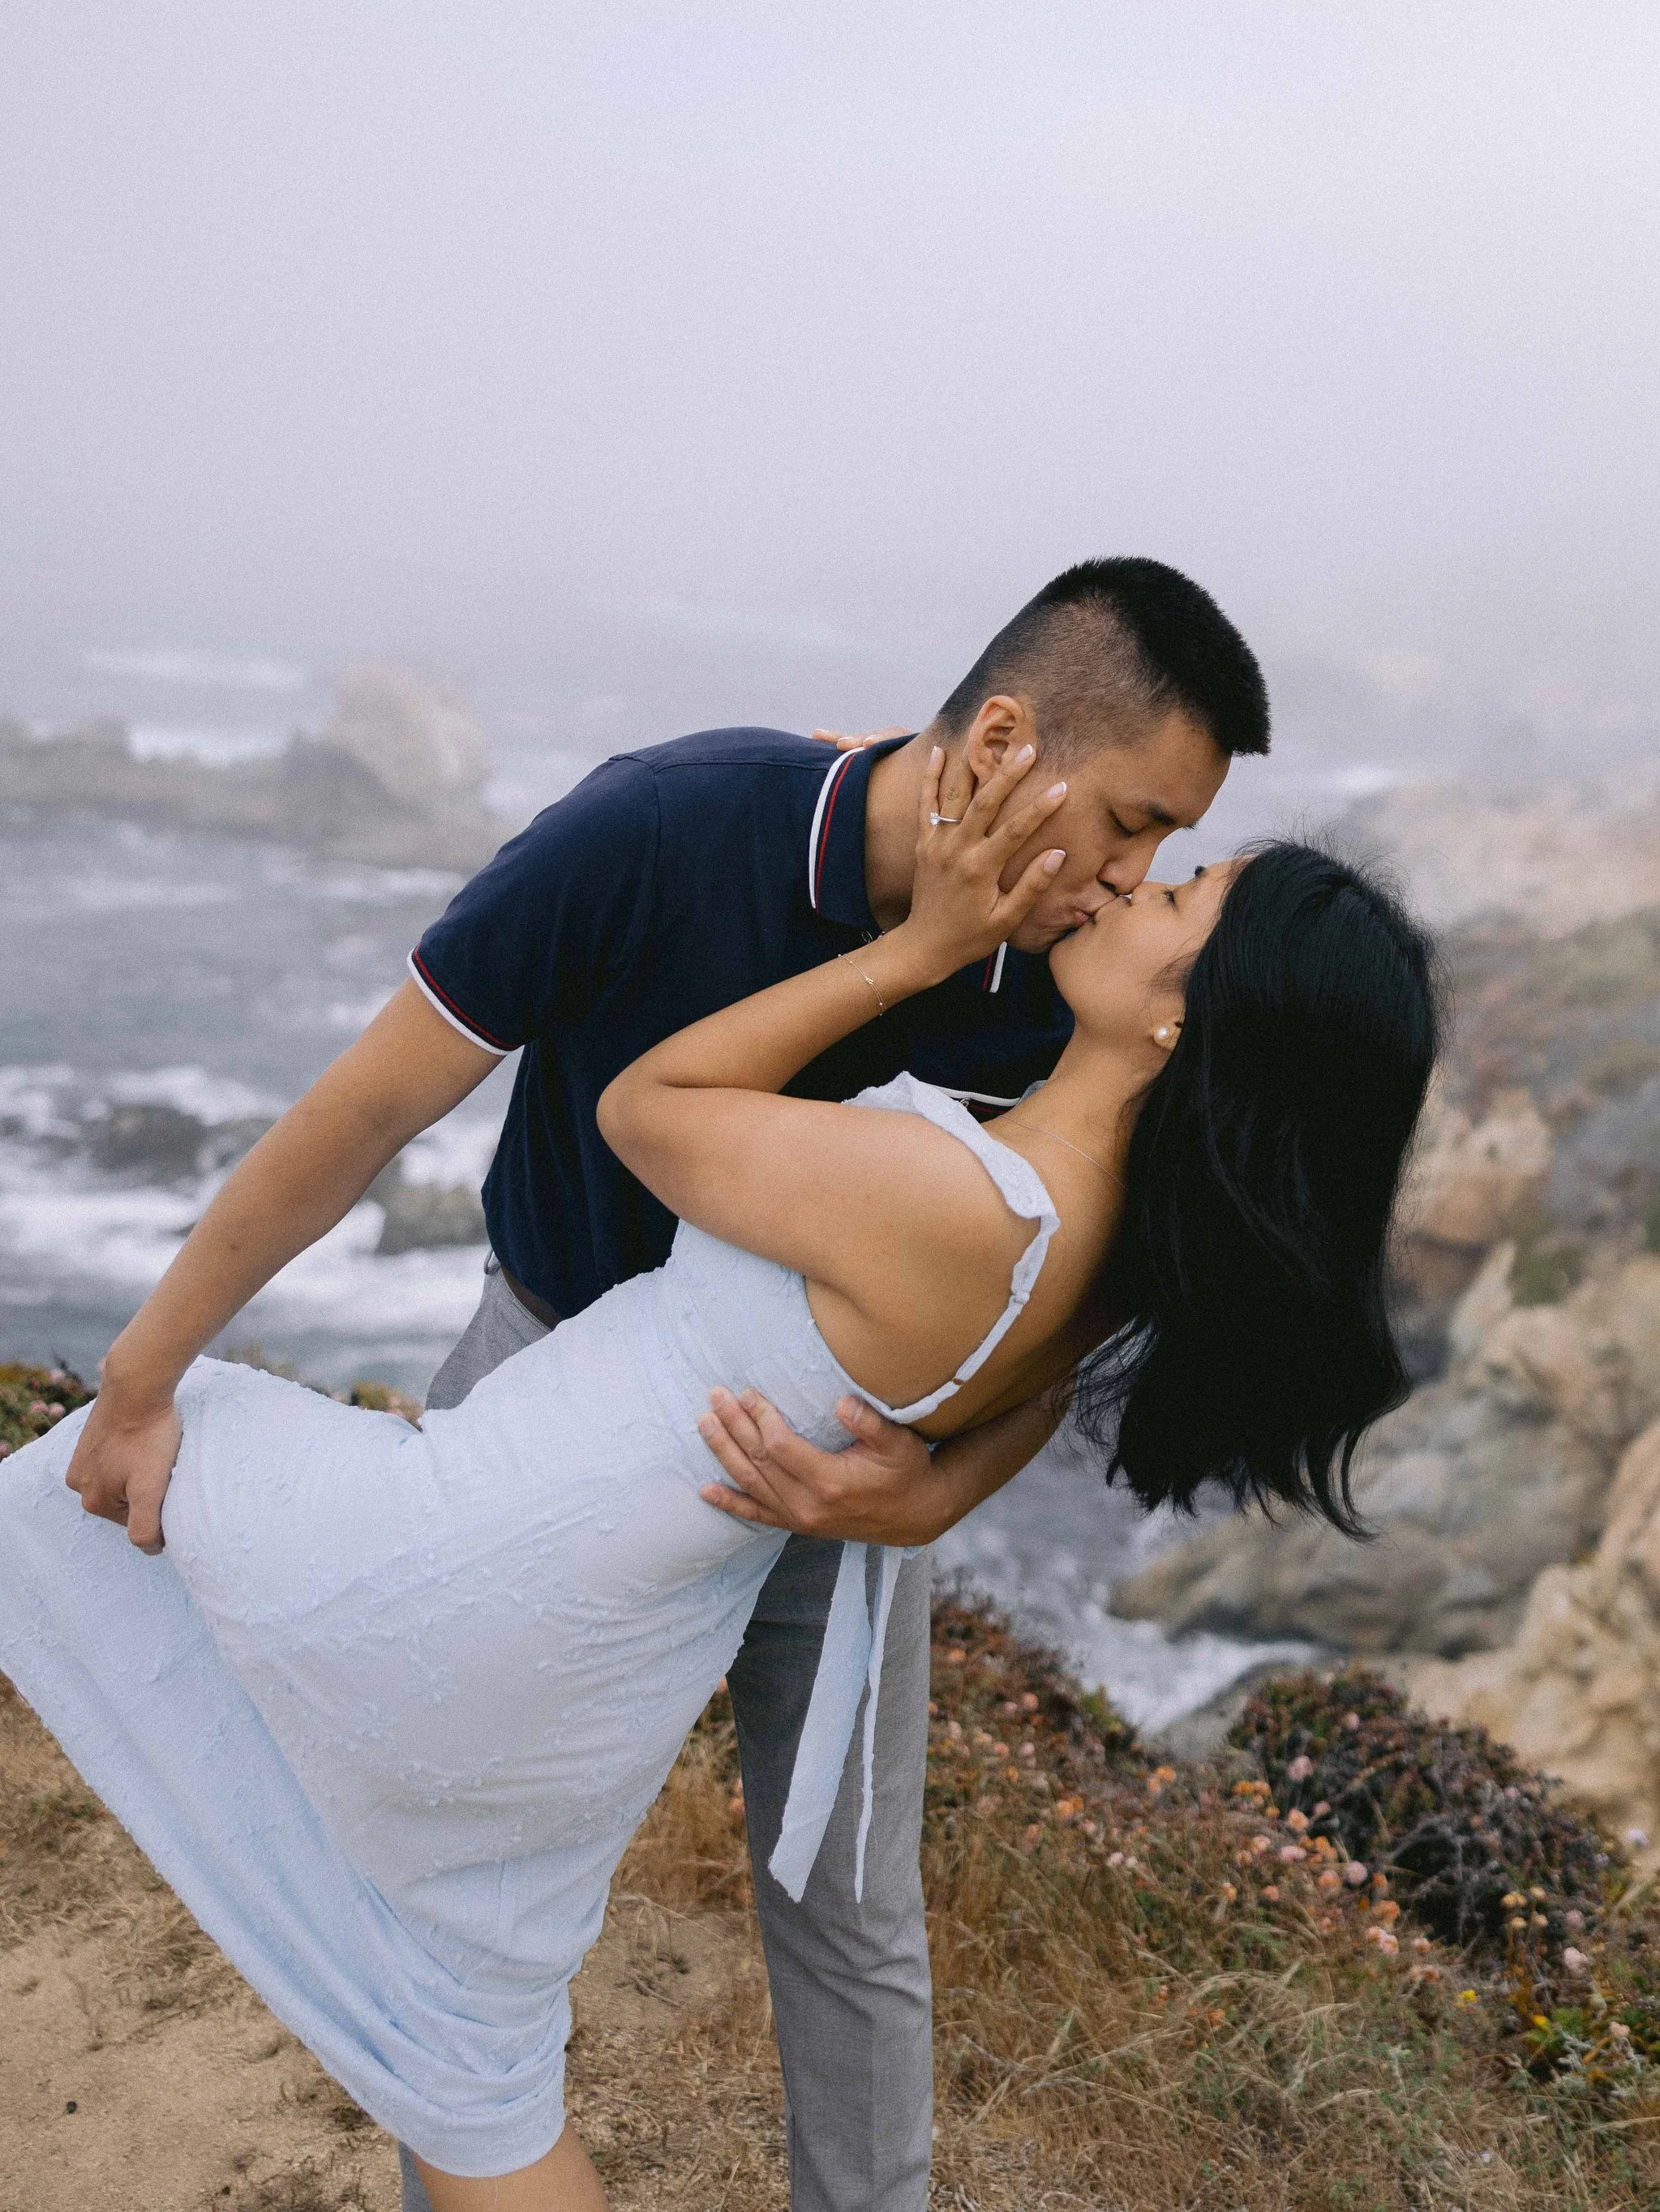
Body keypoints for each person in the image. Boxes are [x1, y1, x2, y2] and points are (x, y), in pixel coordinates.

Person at [0, 730, 1438, 2210]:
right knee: (470, 2060)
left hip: (481, 1553)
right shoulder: (1107, 1231)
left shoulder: (970, 1204)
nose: (1134, 884)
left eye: (1178, 891)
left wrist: (918, 948)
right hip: (594, 1640)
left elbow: (644, 1107)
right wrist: (938, 1495)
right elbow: (1040, 1355)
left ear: (1184, 1020)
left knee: (56, 1505)